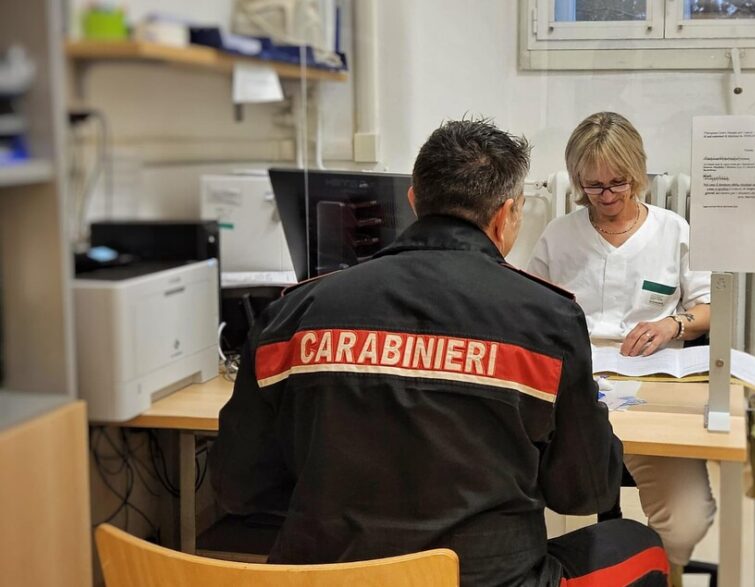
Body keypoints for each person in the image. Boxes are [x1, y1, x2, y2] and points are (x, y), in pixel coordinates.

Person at [210, 118, 669, 587]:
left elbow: (239, 488)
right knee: (638, 544)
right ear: (506, 214)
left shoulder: (292, 315)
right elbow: (583, 491)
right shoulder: (547, 319)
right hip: (484, 579)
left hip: (326, 578)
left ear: (414, 200)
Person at [528, 112, 716, 585]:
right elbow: (530, 308)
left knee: (688, 517)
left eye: (619, 183)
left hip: (653, 385)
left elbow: (709, 309)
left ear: (638, 175)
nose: (609, 197)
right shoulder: (560, 235)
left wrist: (672, 323)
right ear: (576, 182)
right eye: (594, 187)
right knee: (528, 500)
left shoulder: (673, 230)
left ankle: (658, 570)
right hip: (574, 390)